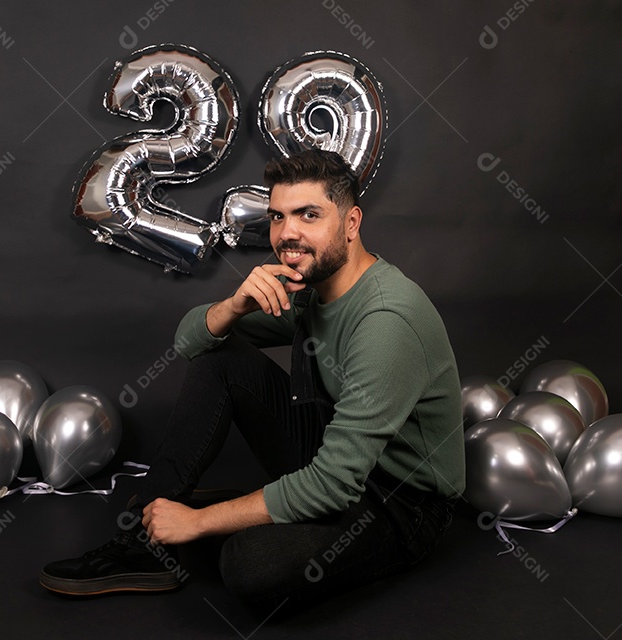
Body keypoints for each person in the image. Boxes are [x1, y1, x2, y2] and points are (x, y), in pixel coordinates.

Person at [40, 148, 464, 605]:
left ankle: (196, 514)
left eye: (308, 215)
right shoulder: (311, 292)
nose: (289, 233)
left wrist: (200, 522)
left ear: (351, 223)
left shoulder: (385, 320)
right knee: (221, 356)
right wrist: (235, 304)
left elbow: (335, 483)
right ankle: (144, 536)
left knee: (249, 565)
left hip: (399, 501)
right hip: (334, 453)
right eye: (278, 217)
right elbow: (191, 344)